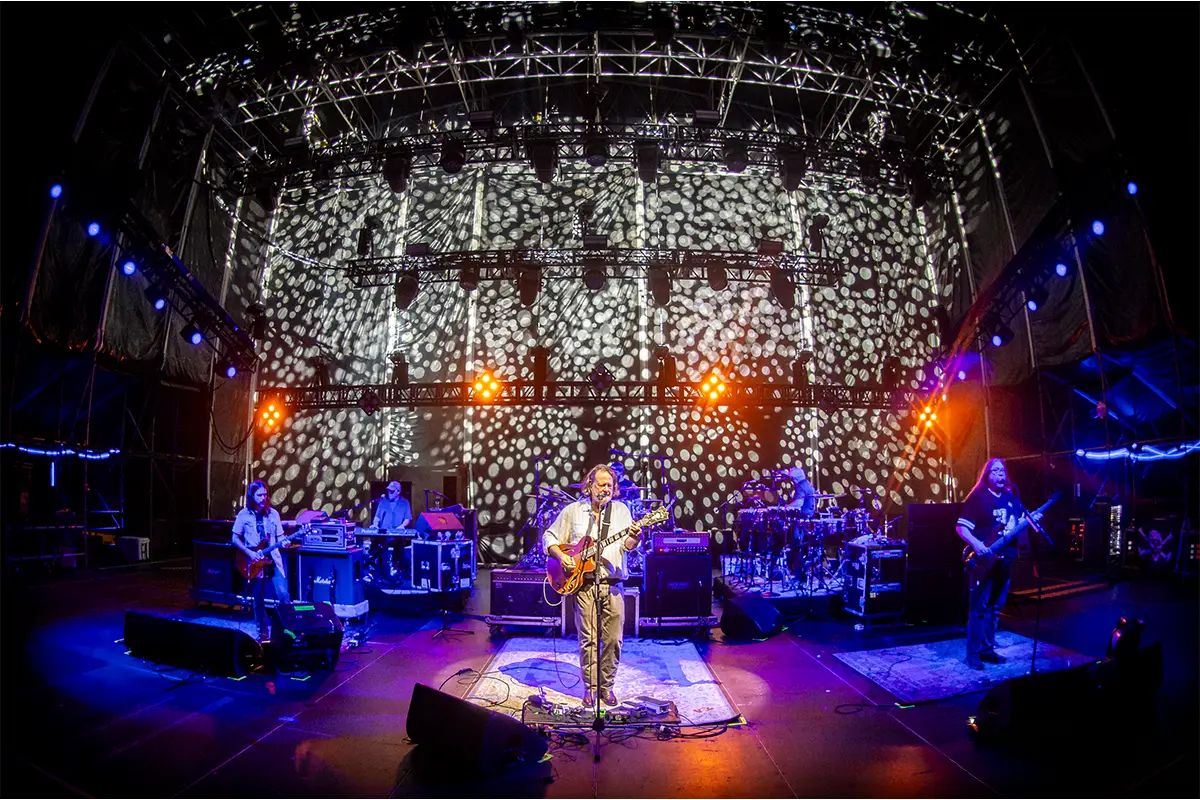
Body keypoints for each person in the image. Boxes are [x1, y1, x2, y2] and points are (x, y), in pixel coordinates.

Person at [543, 464, 642, 708]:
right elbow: (550, 537)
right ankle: (591, 688)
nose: (606, 489)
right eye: (601, 484)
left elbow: (628, 546)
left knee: (613, 640)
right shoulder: (573, 511)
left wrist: (636, 536)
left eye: (610, 485)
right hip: (584, 585)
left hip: (614, 584)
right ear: (590, 486)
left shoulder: (621, 511)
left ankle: (607, 686)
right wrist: (562, 556)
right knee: (588, 639)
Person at [955, 458, 1042, 670]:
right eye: (995, 471)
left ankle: (987, 649)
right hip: (983, 562)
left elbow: (1018, 524)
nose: (1000, 474)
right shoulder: (978, 498)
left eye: (1002, 471)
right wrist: (977, 544)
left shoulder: (1011, 499)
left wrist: (1033, 520)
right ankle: (973, 654)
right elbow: (961, 528)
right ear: (987, 475)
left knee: (995, 608)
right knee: (979, 607)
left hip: (1005, 561)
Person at [232, 481, 297, 642]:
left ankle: (289, 633)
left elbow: (280, 536)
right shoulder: (244, 514)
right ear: (252, 496)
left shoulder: (273, 514)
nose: (263, 498)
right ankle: (263, 634)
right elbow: (234, 537)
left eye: (265, 494)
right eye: (259, 495)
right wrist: (249, 553)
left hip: (273, 560)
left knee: (283, 595)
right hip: (253, 562)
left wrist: (285, 542)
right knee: (258, 600)